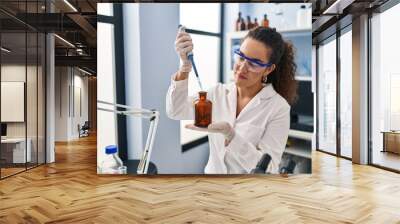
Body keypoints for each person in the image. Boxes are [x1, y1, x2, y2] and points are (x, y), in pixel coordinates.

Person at [166, 26, 297, 174]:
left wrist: (232, 136)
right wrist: (184, 67)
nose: (242, 68)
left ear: (268, 69)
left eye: (253, 63)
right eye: (241, 57)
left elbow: (269, 169)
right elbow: (176, 111)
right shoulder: (218, 93)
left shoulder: (278, 108)